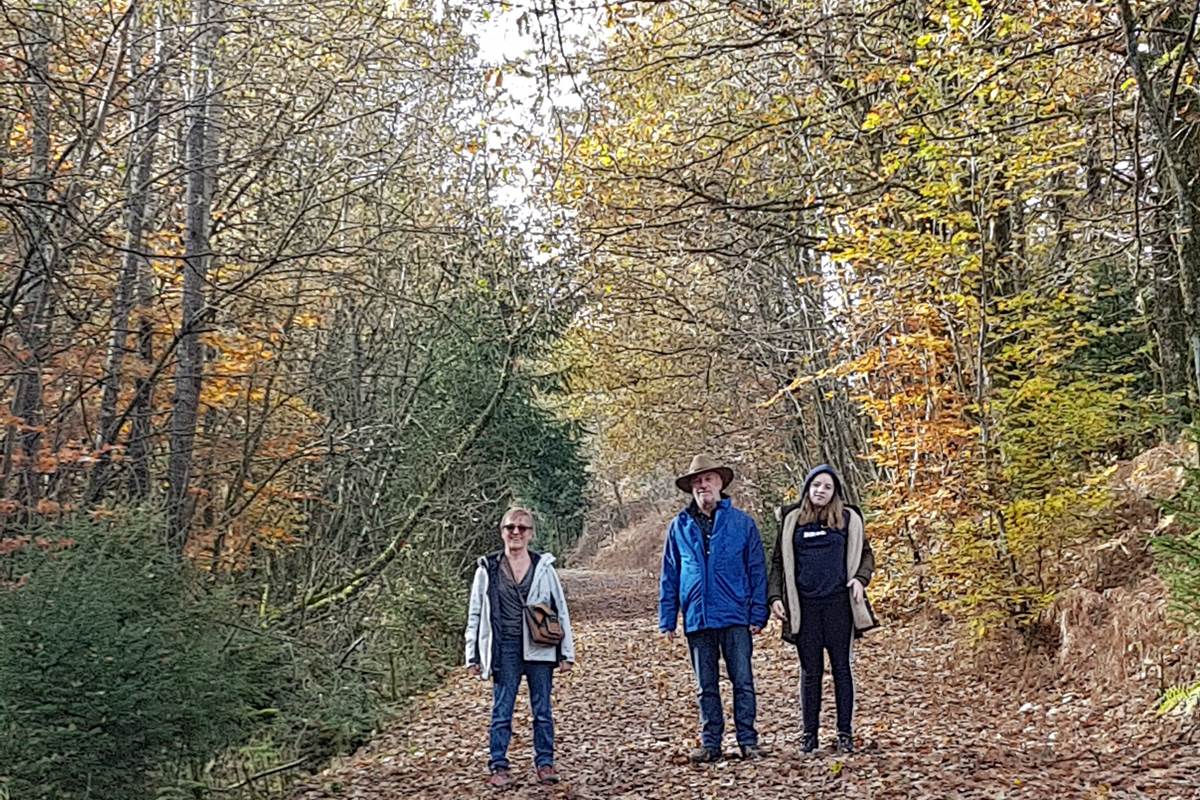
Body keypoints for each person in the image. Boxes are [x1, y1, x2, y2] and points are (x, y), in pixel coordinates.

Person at [659, 454, 769, 763]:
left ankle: (748, 741)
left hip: (736, 614)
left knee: (743, 681)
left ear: (720, 483)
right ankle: (711, 743)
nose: (702, 485)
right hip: (698, 616)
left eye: (707, 479)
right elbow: (670, 574)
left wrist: (758, 613)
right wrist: (667, 618)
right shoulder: (678, 527)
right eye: (697, 481)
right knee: (705, 686)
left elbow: (757, 571)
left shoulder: (742, 524)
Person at [767, 465, 877, 755]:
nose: (821, 491)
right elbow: (778, 562)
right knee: (810, 671)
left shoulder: (847, 519)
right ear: (807, 488)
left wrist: (860, 579)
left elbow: (866, 555)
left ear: (835, 492)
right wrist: (775, 596)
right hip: (805, 608)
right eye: (816, 485)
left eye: (827, 487)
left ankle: (844, 733)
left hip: (839, 607)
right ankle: (809, 735)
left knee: (842, 669)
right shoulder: (792, 520)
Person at [465, 506, 575, 788]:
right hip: (504, 648)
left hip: (540, 645)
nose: (516, 532)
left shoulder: (544, 567)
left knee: (542, 709)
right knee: (502, 710)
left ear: (531, 534)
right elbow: (475, 614)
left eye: (522, 528)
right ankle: (499, 765)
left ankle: (545, 763)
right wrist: (472, 654)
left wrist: (567, 653)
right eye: (510, 527)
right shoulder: (487, 569)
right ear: (502, 532)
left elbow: (559, 609)